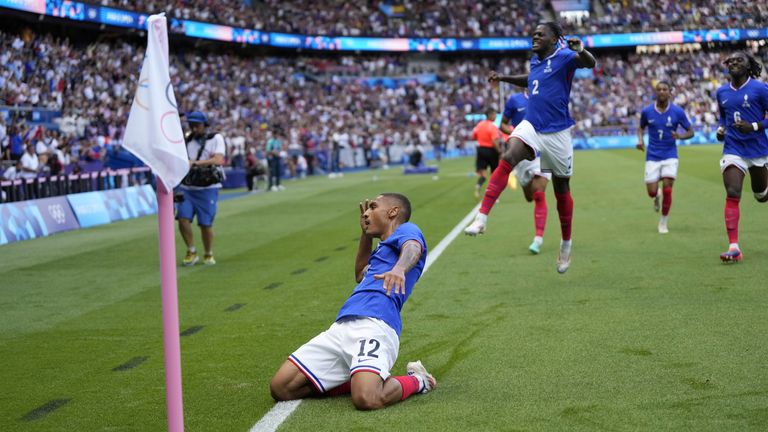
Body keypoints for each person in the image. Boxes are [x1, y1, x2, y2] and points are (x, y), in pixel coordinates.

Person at [269, 193, 436, 410]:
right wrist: (365, 235)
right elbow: (359, 273)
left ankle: (419, 380)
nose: (366, 213)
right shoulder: (381, 253)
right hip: (341, 327)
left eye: (373, 207)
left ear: (393, 211)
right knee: (282, 388)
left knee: (366, 399)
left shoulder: (406, 229)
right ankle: (357, 376)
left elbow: (413, 248)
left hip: (376, 324)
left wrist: (399, 269)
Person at [464, 21, 596, 274]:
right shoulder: (536, 61)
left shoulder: (566, 56)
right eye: (533, 33)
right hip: (532, 126)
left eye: (540, 34)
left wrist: (581, 50)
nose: (534, 37)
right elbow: (531, 79)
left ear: (555, 38)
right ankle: (481, 218)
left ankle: (566, 243)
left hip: (557, 133)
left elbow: (590, 63)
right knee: (509, 155)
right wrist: (503, 78)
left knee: (561, 189)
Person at [714, 52, 768, 262]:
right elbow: (723, 116)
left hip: (758, 150)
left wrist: (753, 126)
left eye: (739, 60)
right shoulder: (721, 92)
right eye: (731, 61)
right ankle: (734, 247)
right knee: (733, 190)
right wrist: (721, 129)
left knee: (761, 195)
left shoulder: (760, 89)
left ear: (748, 66)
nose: (734, 63)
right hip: (733, 148)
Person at [636, 81, 694, 234]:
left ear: (670, 92)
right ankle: (656, 196)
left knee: (668, 189)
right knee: (652, 192)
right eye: (659, 89)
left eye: (664, 89)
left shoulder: (677, 112)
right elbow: (641, 127)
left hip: (670, 155)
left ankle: (663, 222)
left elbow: (691, 131)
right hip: (653, 156)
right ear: (656, 92)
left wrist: (680, 136)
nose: (661, 92)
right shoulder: (647, 111)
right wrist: (640, 140)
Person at [500, 88, 552, 254]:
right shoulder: (514, 100)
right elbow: (502, 123)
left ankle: (538, 239)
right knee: (529, 196)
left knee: (538, 193)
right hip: (522, 152)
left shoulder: (547, 95)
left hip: (543, 149)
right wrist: (515, 133)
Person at [176, 111, 225, 266]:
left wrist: (195, 163)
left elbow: (218, 159)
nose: (194, 128)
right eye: (192, 125)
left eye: (197, 125)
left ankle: (208, 253)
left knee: (205, 223)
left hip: (208, 187)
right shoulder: (187, 140)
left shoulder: (215, 138)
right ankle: (191, 250)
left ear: (205, 125)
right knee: (182, 218)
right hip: (188, 187)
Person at [471, 107, 502, 198]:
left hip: (481, 150)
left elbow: (473, 137)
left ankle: (478, 188)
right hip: (491, 151)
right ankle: (493, 195)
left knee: (483, 174)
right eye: (494, 114)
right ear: (490, 115)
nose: (496, 116)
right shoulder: (492, 126)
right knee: (494, 175)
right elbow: (494, 141)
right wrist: (499, 151)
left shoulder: (479, 125)